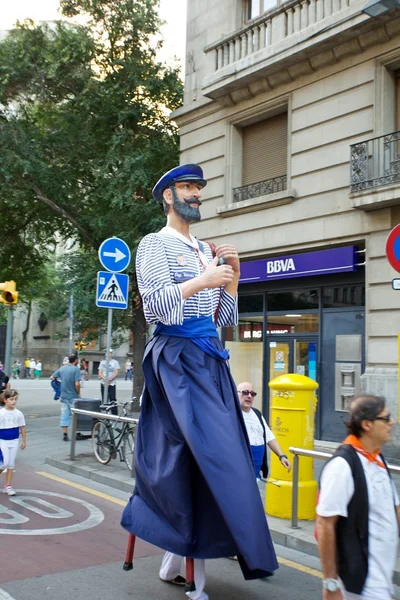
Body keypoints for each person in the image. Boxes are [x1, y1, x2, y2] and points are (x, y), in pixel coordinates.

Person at [121, 164, 278, 600]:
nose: (196, 194)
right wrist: (203, 279)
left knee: (209, 455)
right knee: (208, 454)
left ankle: (180, 563)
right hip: (176, 361)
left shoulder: (205, 249)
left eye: (198, 189)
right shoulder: (154, 244)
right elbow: (156, 308)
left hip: (208, 359)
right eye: (188, 188)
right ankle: (193, 567)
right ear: (168, 196)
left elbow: (222, 321)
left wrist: (234, 278)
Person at [316, 394, 399, 600]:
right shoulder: (342, 466)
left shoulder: (377, 458)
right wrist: (330, 582)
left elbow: (394, 509)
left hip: (381, 581)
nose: (393, 422)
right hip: (358, 586)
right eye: (386, 418)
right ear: (367, 424)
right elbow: (325, 524)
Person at [237, 381, 291, 478]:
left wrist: (282, 456)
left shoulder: (257, 414)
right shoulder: (232, 415)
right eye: (245, 392)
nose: (249, 396)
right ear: (236, 394)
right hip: (239, 470)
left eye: (252, 394)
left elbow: (269, 438)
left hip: (256, 471)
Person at [0, 389, 26, 496]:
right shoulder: (1, 413)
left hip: (14, 440)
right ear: (5, 400)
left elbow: (22, 427)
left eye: (15, 399)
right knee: (4, 463)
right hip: (2, 441)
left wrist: (24, 440)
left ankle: (8, 486)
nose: (14, 401)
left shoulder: (18, 413)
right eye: (11, 399)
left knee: (11, 464)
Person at [50, 354, 81, 442]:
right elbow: (77, 384)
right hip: (73, 396)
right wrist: (78, 393)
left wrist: (59, 384)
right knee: (76, 415)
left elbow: (52, 377)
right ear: (75, 360)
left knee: (64, 415)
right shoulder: (76, 369)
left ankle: (65, 434)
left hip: (63, 395)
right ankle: (76, 433)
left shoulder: (62, 368)